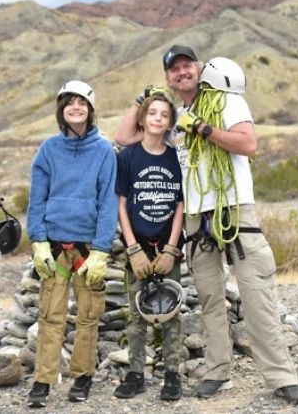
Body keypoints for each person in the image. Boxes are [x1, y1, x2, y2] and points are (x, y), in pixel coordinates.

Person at [114, 45, 298, 405]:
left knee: (255, 294)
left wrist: (202, 128)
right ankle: (218, 372)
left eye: (188, 65)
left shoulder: (225, 100)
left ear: (199, 68)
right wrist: (140, 99)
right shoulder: (173, 117)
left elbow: (248, 143)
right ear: (168, 77)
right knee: (209, 298)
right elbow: (125, 139)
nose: (182, 72)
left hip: (233, 209)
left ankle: (282, 377)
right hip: (196, 218)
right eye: (174, 69)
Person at [25, 80, 118, 408]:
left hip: (88, 246)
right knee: (50, 314)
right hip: (54, 244)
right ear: (61, 110)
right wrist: (37, 241)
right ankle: (43, 381)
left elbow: (108, 202)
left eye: (82, 102)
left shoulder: (104, 151)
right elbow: (37, 199)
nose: (75, 107)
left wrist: (102, 250)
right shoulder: (49, 150)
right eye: (69, 103)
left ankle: (83, 376)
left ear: (91, 110)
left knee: (88, 314)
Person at [112, 91, 186, 401]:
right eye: (152, 113)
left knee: (172, 312)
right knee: (137, 312)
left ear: (170, 123)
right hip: (139, 248)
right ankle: (135, 374)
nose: (157, 118)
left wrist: (171, 248)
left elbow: (181, 204)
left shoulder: (176, 158)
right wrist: (132, 248)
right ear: (143, 118)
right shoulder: (127, 158)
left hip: (167, 249)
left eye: (164, 115)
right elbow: (121, 204)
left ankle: (172, 374)